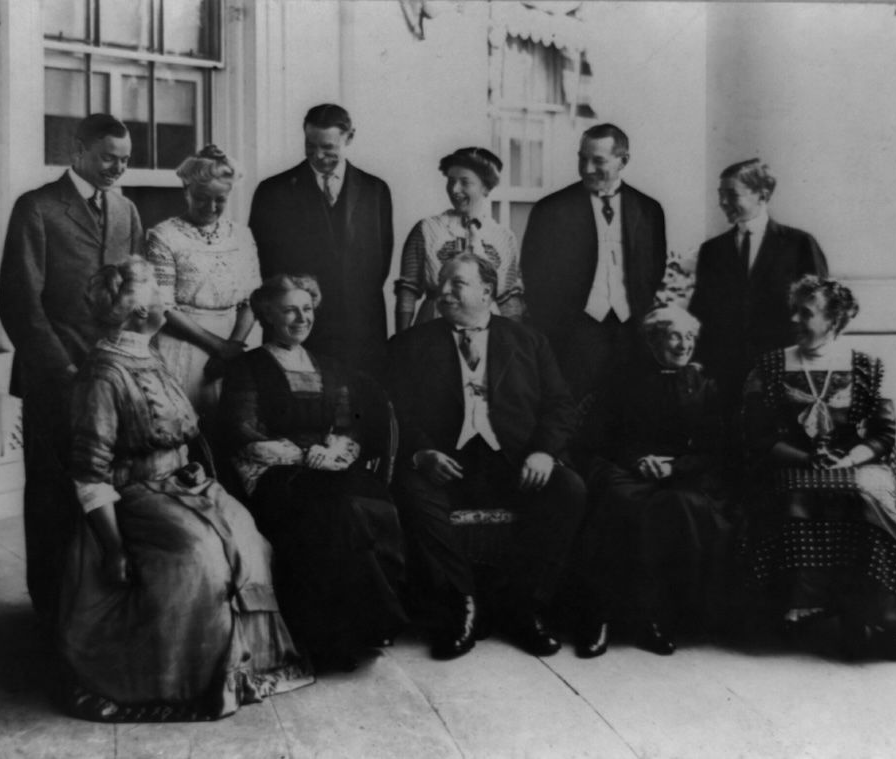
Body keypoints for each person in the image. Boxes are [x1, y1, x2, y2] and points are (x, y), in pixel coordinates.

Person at [60, 259, 312, 721]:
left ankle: (247, 668)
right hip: (133, 495)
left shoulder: (146, 352)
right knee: (199, 555)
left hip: (181, 483)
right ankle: (185, 683)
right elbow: (89, 473)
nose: (165, 299)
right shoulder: (103, 373)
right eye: (157, 290)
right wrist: (113, 548)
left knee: (246, 536)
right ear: (138, 313)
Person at [740, 276, 896, 660]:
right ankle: (805, 615)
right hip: (791, 461)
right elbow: (757, 435)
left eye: (806, 313)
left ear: (833, 319)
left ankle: (874, 617)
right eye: (794, 310)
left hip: (853, 461)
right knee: (796, 496)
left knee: (867, 498)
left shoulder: (867, 367)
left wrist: (849, 457)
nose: (794, 319)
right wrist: (806, 457)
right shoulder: (770, 366)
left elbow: (883, 434)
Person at [387, 253, 586, 661]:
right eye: (441, 284)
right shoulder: (409, 345)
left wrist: (545, 453)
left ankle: (524, 605)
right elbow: (393, 410)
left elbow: (560, 405)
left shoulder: (528, 340)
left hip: (512, 461)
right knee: (410, 490)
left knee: (569, 489)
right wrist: (421, 452)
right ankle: (463, 605)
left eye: (456, 284)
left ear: (487, 291)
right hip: (446, 461)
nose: (442, 292)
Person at [219, 274, 408, 672]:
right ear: (268, 314)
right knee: (334, 513)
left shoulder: (330, 367)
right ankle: (330, 638)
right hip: (278, 471)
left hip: (327, 463)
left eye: (306, 309)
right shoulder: (248, 367)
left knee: (371, 502)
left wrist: (335, 448)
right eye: (289, 310)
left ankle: (373, 623)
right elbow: (243, 430)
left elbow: (346, 424)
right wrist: (305, 455)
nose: (301, 318)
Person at [0, 113, 144, 621]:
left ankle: (93, 613)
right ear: (77, 150)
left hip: (110, 377)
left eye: (124, 160)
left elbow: (135, 294)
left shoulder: (127, 211)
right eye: (108, 157)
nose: (117, 168)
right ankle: (48, 609)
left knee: (106, 489)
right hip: (53, 378)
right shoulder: (37, 208)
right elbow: (19, 303)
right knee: (51, 493)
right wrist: (64, 371)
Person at [573, 306, 734, 658]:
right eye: (675, 336)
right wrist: (638, 461)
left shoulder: (704, 385)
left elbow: (714, 449)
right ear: (652, 339)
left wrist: (674, 467)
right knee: (619, 503)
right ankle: (598, 616)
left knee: (678, 507)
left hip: (680, 475)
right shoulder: (623, 382)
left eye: (690, 337)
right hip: (624, 468)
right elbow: (599, 439)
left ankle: (651, 619)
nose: (683, 345)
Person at [521, 123, 667, 402]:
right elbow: (534, 276)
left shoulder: (649, 210)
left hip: (631, 333)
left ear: (623, 160)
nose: (587, 168)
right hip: (573, 336)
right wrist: (558, 328)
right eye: (582, 158)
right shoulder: (551, 210)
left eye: (598, 160)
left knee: (629, 413)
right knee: (572, 416)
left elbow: (654, 271)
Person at [249, 103, 394, 371]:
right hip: (296, 328)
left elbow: (380, 264)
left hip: (360, 331)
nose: (317, 155)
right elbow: (262, 265)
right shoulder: (273, 191)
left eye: (328, 148)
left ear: (349, 138)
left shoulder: (376, 191)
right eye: (310, 145)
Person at [688, 158, 829, 404]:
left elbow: (820, 310)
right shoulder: (712, 250)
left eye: (732, 194)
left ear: (762, 195)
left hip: (785, 373)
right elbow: (700, 312)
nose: (722, 202)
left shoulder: (800, 245)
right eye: (720, 194)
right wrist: (698, 364)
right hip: (726, 376)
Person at [145, 144, 260, 419]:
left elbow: (253, 299)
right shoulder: (164, 236)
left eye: (219, 200)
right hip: (183, 343)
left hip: (235, 344)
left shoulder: (241, 236)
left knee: (232, 428)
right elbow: (164, 305)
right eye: (201, 198)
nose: (210, 207)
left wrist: (233, 346)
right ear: (186, 191)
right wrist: (219, 347)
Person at [394, 147, 524, 331]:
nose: (455, 190)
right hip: (435, 325)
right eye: (451, 181)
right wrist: (402, 340)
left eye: (465, 182)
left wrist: (514, 342)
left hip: (488, 328)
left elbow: (509, 300)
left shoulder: (504, 237)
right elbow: (408, 290)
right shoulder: (427, 229)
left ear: (485, 187)